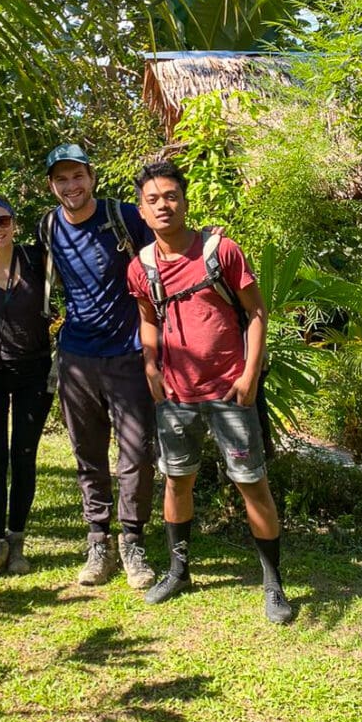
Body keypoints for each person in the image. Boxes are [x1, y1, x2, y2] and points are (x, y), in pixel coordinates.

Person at [127, 160, 293, 623]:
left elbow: (257, 312)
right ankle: (179, 571)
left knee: (251, 483)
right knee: (178, 481)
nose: (163, 205)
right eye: (153, 199)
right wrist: (151, 366)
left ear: (185, 200)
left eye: (171, 196)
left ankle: (273, 583)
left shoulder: (222, 251)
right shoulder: (141, 266)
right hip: (176, 396)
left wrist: (250, 375)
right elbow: (147, 317)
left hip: (230, 391)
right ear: (141, 210)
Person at [39, 144, 156, 589]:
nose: (71, 186)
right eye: (61, 179)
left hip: (127, 354)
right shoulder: (48, 225)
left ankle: (133, 542)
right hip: (76, 358)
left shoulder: (123, 216)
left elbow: (168, 245)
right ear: (52, 186)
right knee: (88, 454)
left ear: (92, 177)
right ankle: (98, 541)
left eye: (77, 176)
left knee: (137, 454)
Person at [0, 188, 54, 578]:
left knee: (24, 456)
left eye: (3, 220)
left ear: (14, 223)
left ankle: (16, 542)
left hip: (34, 370)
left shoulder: (38, 260)